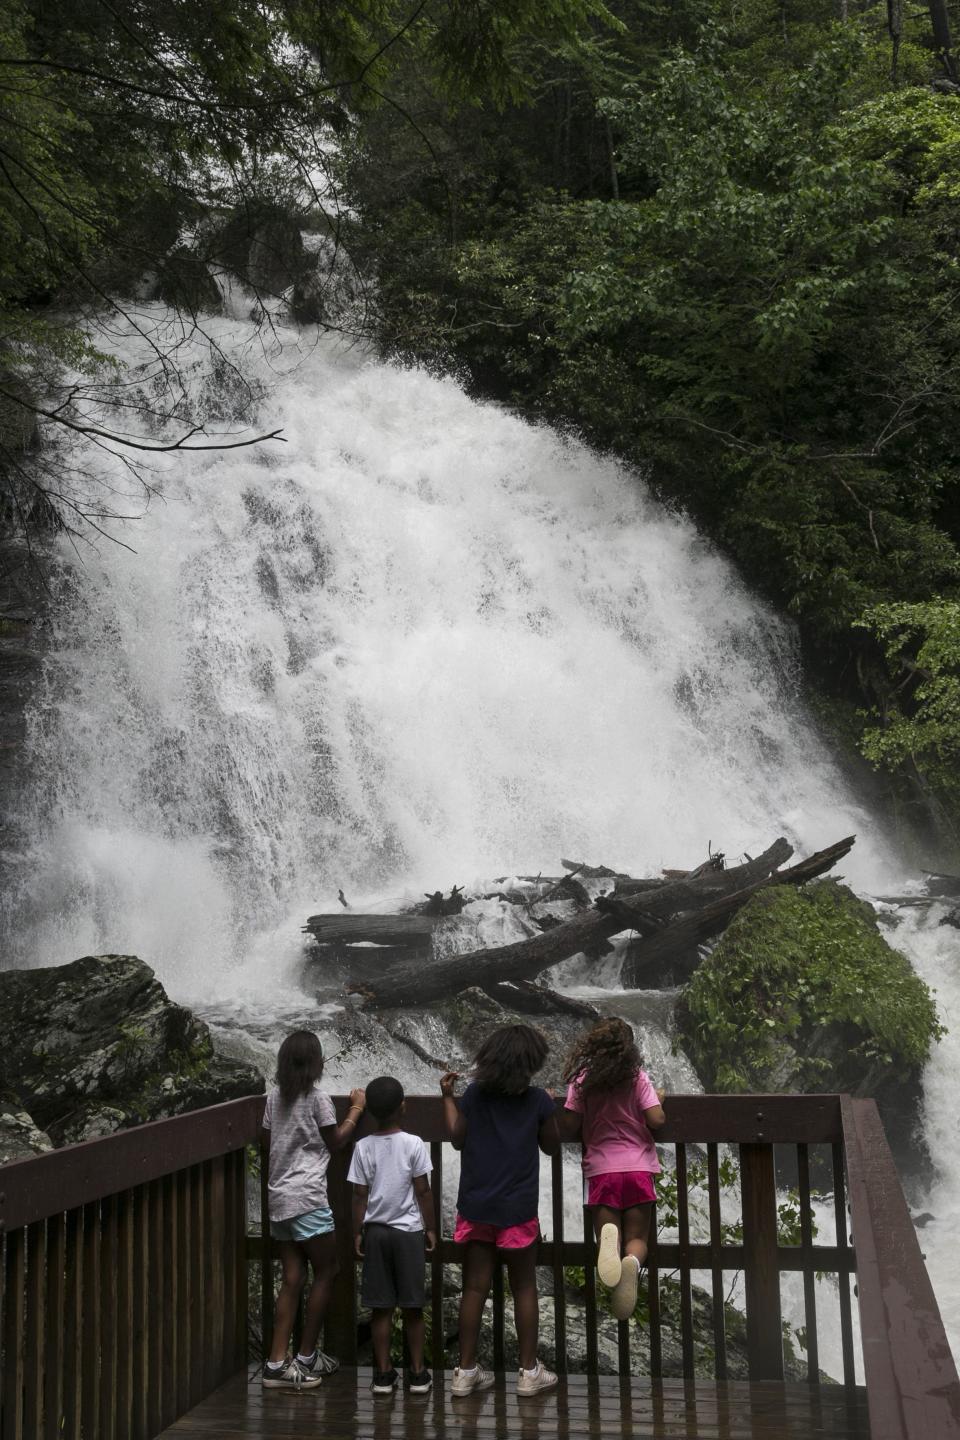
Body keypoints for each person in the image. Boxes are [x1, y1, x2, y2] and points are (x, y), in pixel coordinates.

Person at [440, 1023, 559, 1397]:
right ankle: (528, 1372)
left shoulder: (474, 1094)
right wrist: (551, 1108)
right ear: (530, 1063)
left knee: (474, 1288)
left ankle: (464, 1371)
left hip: (476, 1205)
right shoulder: (538, 1099)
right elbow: (552, 1147)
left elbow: (457, 1138)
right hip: (518, 1209)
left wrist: (447, 1098)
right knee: (524, 1287)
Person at [260, 1030, 366, 1390]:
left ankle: (276, 1362)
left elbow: (268, 1137)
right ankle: (305, 1356)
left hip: (279, 1200)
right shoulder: (319, 1100)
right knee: (328, 1269)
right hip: (307, 1198)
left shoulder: (274, 1098)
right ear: (316, 1064)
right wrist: (355, 1110)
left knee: (293, 1278)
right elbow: (335, 1141)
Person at [560, 1017, 666, 1321]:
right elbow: (656, 1119)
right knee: (638, 1238)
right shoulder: (637, 1077)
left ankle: (610, 1239)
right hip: (637, 1169)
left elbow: (570, 1122)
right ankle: (632, 1261)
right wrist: (659, 1098)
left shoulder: (583, 1079)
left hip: (601, 1171)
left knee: (609, 1234)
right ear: (629, 1049)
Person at [348, 1075, 437, 1395]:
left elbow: (359, 1195)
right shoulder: (413, 1144)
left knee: (380, 1308)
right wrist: (430, 1227)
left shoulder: (362, 1146)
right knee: (413, 1308)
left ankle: (383, 1375)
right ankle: (417, 1373)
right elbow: (423, 1190)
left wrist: (358, 1231)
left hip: (377, 1233)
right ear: (403, 1107)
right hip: (408, 1233)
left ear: (369, 1111)